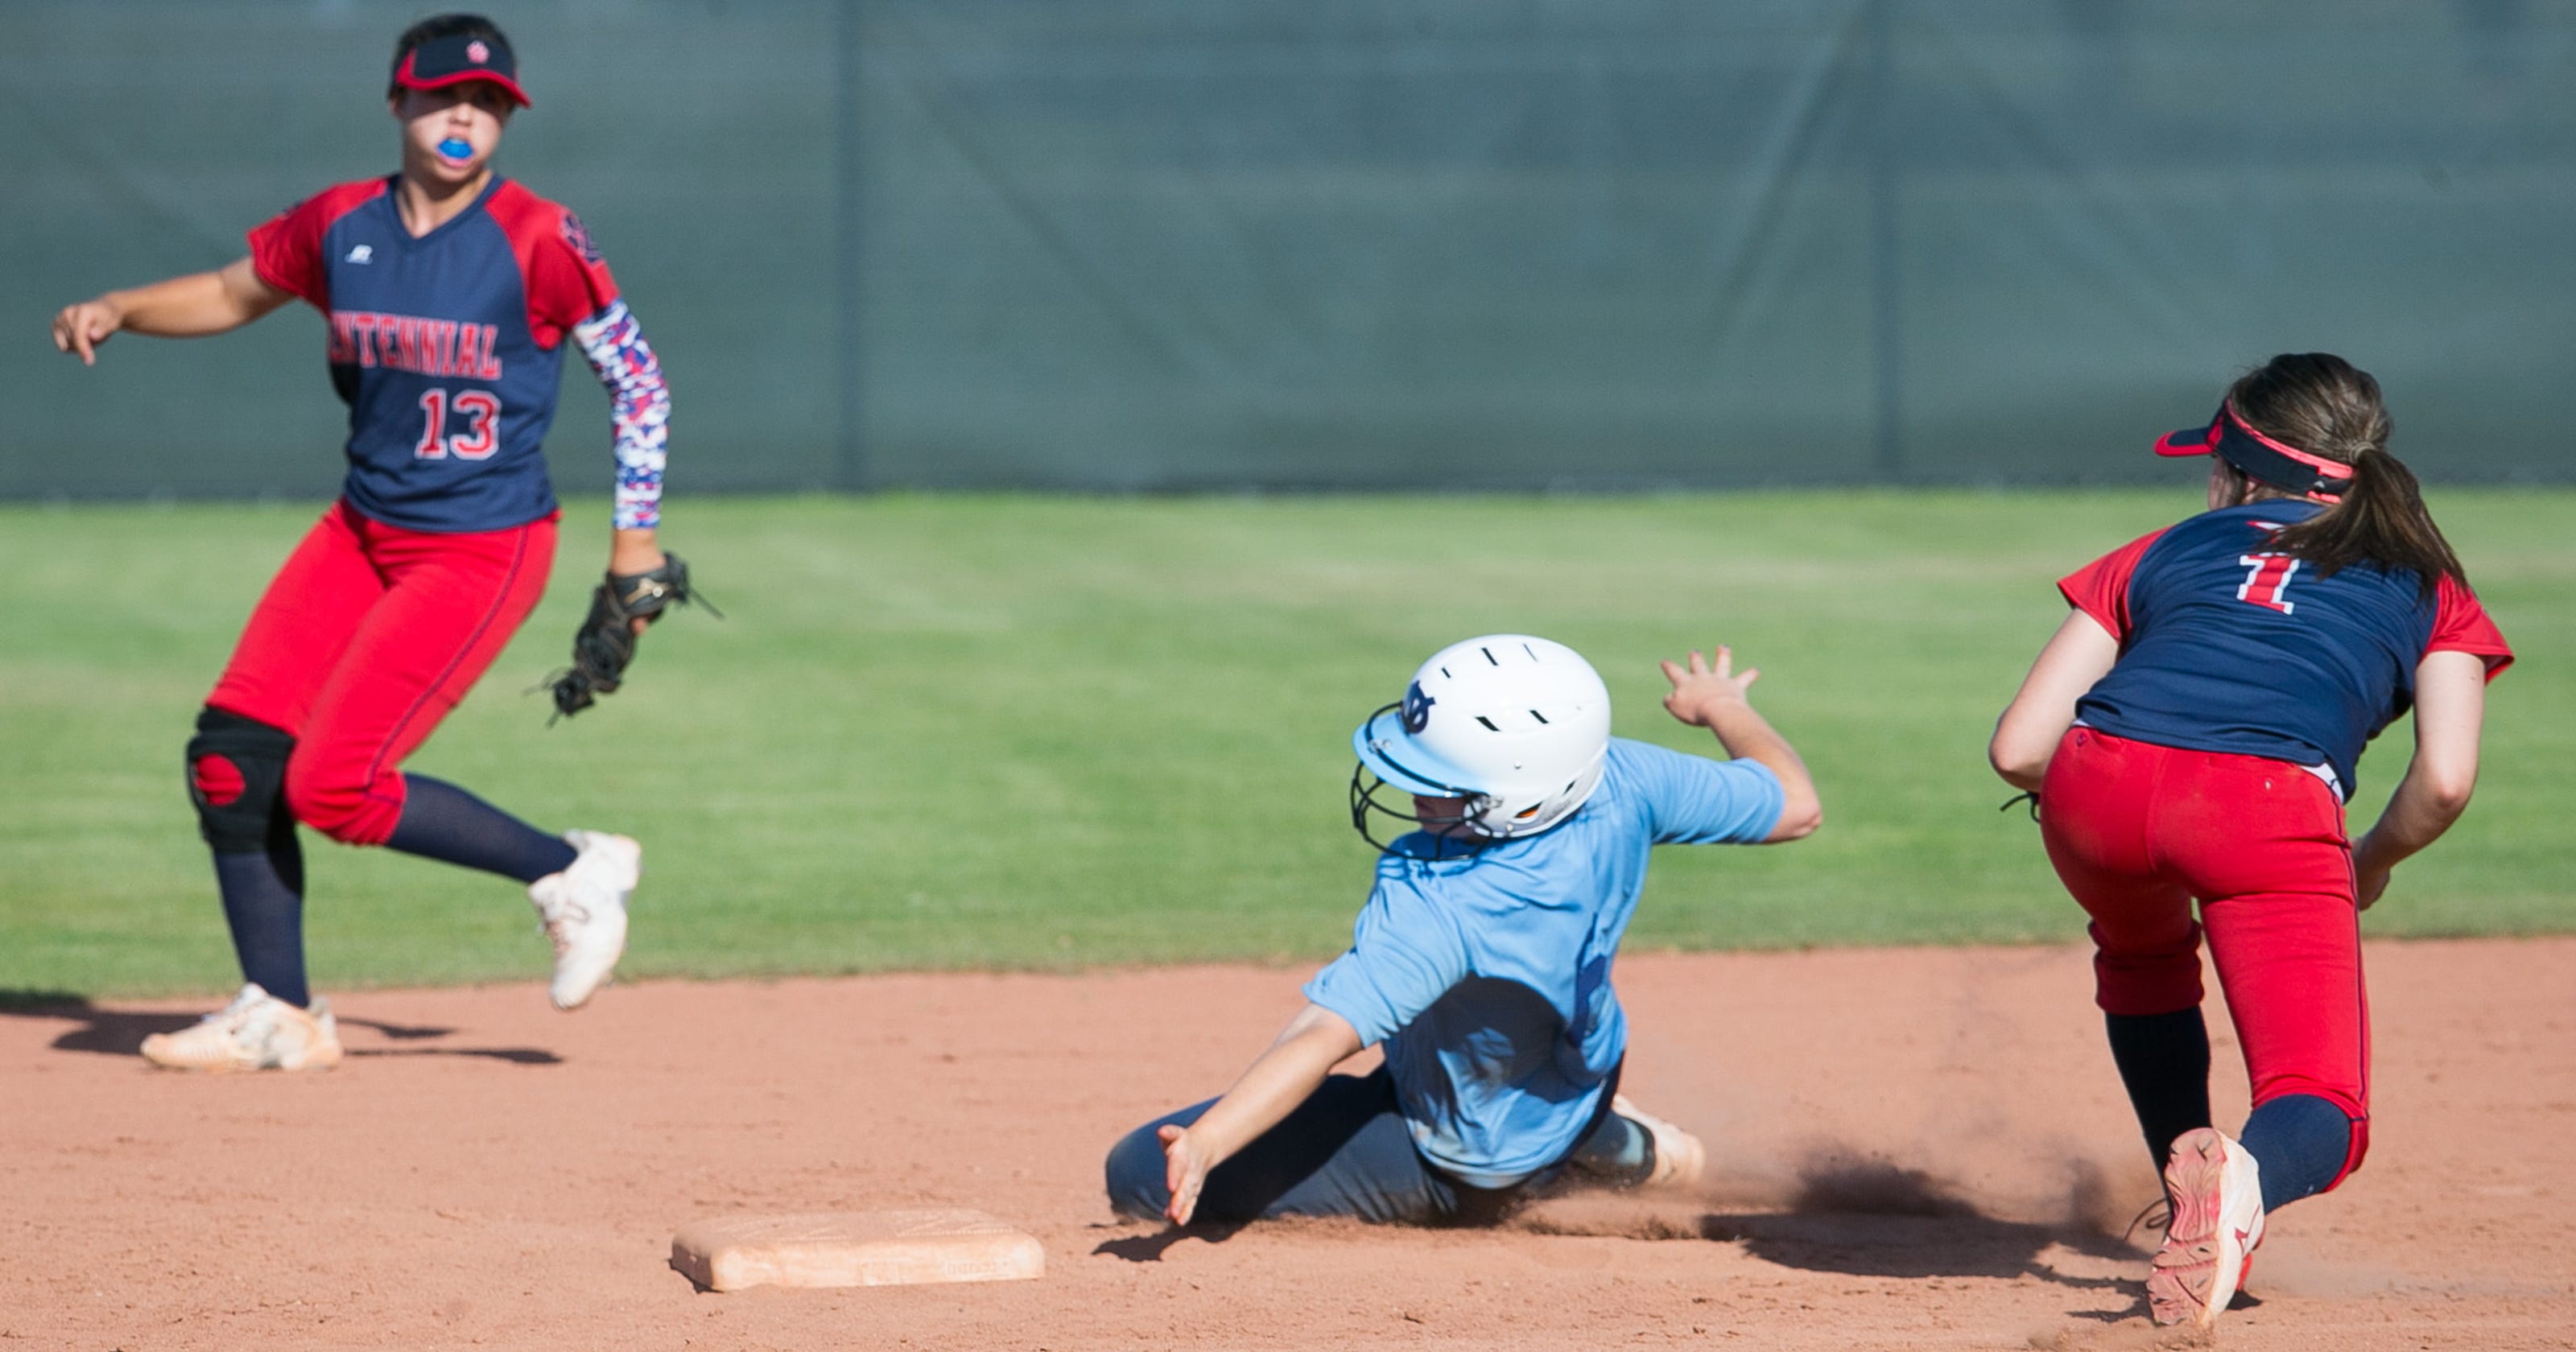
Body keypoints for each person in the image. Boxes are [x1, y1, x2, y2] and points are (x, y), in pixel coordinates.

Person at [47, 14, 684, 1071]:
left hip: (481, 549)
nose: (462, 115)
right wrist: (122, 306)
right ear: (398, 102)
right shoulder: (341, 223)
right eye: (440, 95)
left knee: (334, 784)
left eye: (486, 102)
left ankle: (573, 871)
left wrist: (635, 544)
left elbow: (639, 381)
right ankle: (279, 1012)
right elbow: (231, 291)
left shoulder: (542, 237)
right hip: (363, 529)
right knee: (231, 760)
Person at [1988, 353, 2512, 1329]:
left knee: (2142, 959)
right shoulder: (2429, 583)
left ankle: (2191, 1188)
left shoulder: (2157, 549)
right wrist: (2367, 862)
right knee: (2321, 1105)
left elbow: (2018, 746)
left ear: (2233, 471)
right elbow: (2442, 781)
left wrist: (2107, 795)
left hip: (2093, 781)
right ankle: (2237, 1184)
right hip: (2264, 807)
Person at [1104, 634, 1822, 1226]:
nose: (1415, 789)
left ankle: (1583, 1163)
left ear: (1520, 797)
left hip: (1471, 1157)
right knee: (1475, 1060)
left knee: (1136, 1174)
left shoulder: (1443, 901)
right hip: (1584, 1071)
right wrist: (1724, 706)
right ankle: (1609, 1138)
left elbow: (1318, 1035)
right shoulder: (1620, 780)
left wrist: (1207, 1144)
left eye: (1442, 784)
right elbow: (1794, 805)